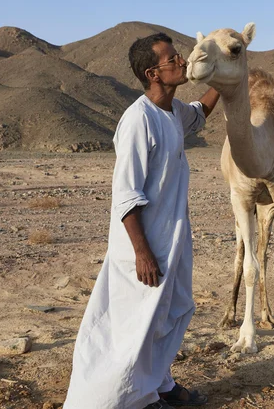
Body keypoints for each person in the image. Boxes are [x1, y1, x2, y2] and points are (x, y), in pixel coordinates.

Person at [64, 32, 219, 409]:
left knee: (170, 313)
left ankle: (159, 384)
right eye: (173, 60)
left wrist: (224, 72)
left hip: (173, 238)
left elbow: (200, 112)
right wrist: (142, 252)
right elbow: (126, 194)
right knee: (134, 326)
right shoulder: (138, 120)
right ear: (153, 73)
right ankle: (124, 399)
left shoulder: (173, 111)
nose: (182, 62)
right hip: (144, 245)